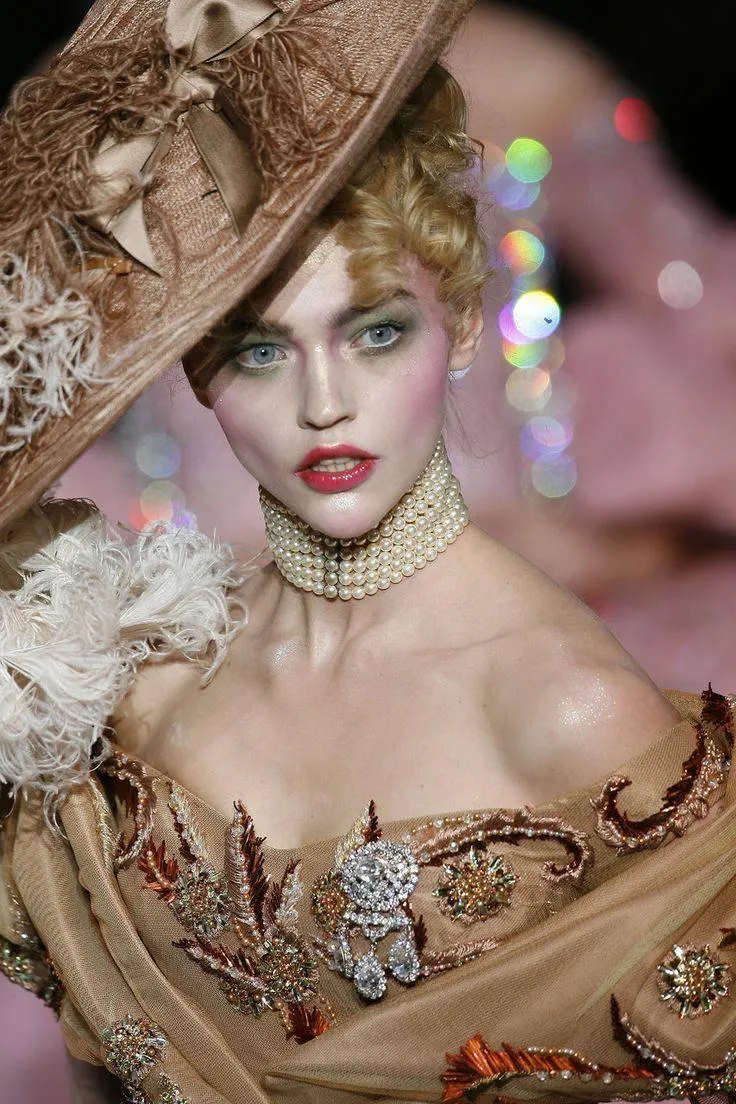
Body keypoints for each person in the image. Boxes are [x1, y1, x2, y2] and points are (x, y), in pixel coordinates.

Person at [1, 1, 734, 1102]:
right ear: (194, 370)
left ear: (462, 324)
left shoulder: (567, 711)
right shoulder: (139, 691)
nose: (324, 404)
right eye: (259, 351)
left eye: (376, 331)